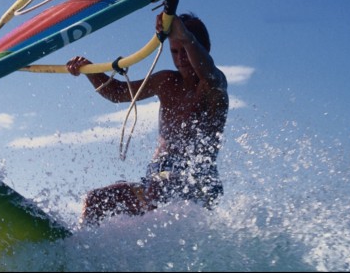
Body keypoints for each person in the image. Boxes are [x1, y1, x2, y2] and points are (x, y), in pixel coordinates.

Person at [66, 11, 228, 225]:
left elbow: (208, 73)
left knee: (161, 185)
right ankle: (80, 251)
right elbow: (118, 93)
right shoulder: (166, 81)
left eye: (186, 49)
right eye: (175, 51)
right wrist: (88, 70)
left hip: (197, 180)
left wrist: (186, 37)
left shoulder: (214, 85)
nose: (181, 58)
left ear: (203, 48)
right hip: (156, 176)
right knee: (97, 200)